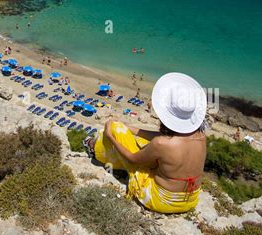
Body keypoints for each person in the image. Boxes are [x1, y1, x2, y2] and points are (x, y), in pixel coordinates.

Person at [85, 72, 207, 214]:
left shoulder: (161, 144)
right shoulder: (201, 136)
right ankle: (100, 144)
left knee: (115, 129)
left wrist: (110, 136)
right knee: (141, 141)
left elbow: (132, 158)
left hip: (161, 201)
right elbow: (169, 138)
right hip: (191, 200)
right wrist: (130, 128)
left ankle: (95, 149)